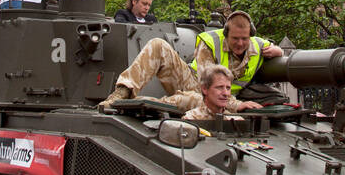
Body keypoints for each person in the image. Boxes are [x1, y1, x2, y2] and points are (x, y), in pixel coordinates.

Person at [100, 9, 283, 110]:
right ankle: (123, 94)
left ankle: (154, 103)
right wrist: (238, 105)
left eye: (245, 38)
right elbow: (208, 86)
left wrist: (278, 50)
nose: (240, 43)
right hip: (196, 83)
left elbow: (275, 49)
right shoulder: (210, 42)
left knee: (193, 101)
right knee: (157, 45)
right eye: (235, 39)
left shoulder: (256, 45)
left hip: (222, 96)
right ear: (226, 35)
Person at [182, 64, 262, 121]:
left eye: (228, 88)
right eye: (219, 87)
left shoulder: (237, 121)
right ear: (205, 89)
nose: (226, 93)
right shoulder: (191, 119)